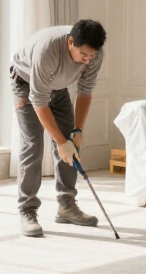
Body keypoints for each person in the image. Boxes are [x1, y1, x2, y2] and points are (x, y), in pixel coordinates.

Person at [11, 19, 107, 237]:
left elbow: (85, 91)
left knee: (71, 143)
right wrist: (60, 142)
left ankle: (67, 206)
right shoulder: (48, 50)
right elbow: (39, 100)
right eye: (83, 55)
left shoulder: (94, 54)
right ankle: (27, 210)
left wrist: (76, 131)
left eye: (91, 56)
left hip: (57, 87)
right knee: (33, 145)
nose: (87, 60)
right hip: (27, 86)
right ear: (71, 42)